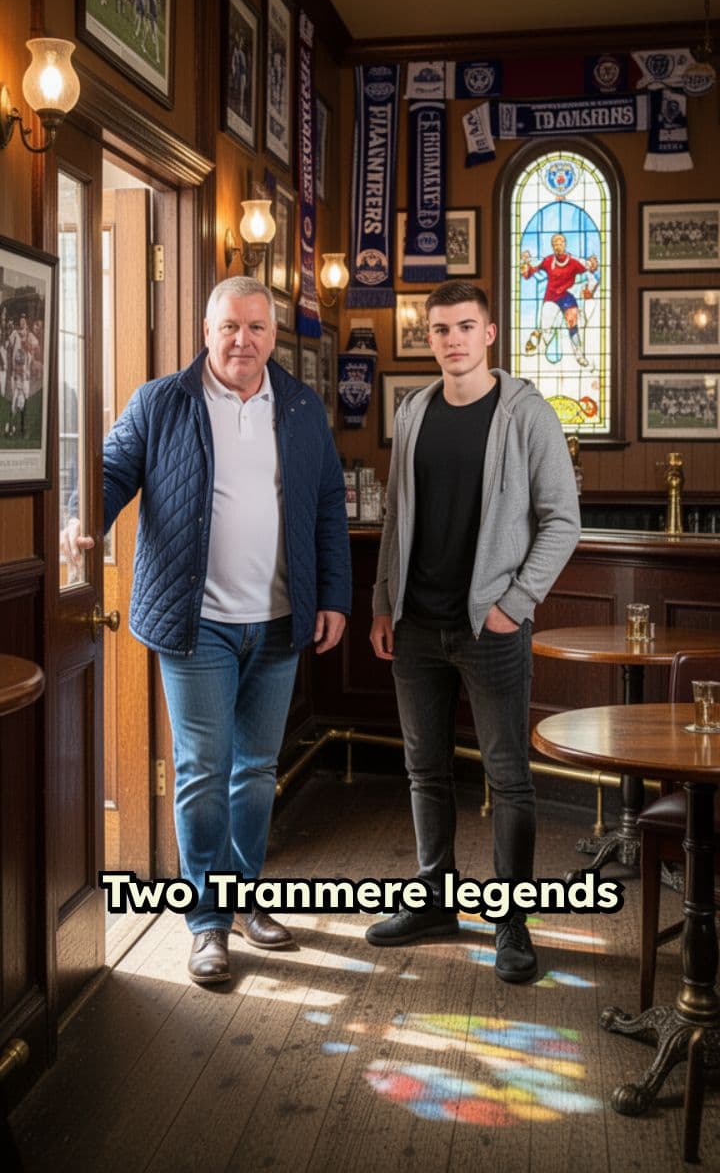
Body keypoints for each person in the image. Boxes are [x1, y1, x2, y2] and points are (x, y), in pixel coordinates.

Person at [62, 277, 351, 985]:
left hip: (281, 621)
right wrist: (79, 519)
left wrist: (336, 596)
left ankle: (246, 895)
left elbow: (326, 511)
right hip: (196, 627)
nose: (242, 341)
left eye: (256, 327)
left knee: (255, 770)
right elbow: (109, 471)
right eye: (230, 327)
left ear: (272, 334)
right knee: (202, 770)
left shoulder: (302, 406)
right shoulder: (161, 401)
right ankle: (207, 924)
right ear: (206, 329)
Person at [366, 281, 580, 982]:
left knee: (508, 776)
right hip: (416, 626)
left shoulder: (527, 413)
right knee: (424, 769)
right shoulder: (415, 410)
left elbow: (562, 522)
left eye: (465, 326)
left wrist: (514, 604)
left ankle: (512, 922)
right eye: (439, 330)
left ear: (490, 334)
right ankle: (433, 900)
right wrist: (381, 601)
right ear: (428, 338)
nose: (452, 339)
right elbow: (397, 518)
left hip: (491, 628)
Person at [521, 232, 598, 368]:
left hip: (567, 297)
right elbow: (530, 272)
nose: (558, 246)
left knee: (572, 323)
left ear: (565, 244)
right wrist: (525, 263)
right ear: (552, 247)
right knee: (546, 328)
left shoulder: (574, 261)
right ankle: (536, 343)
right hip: (551, 297)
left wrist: (592, 270)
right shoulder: (548, 261)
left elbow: (590, 269)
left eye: (560, 243)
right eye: (555, 244)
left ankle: (579, 355)